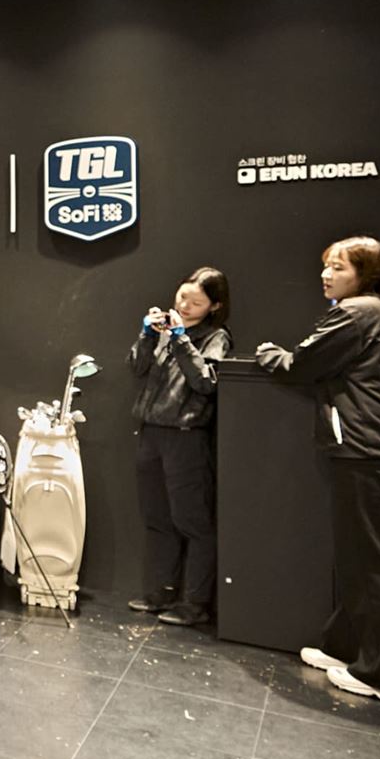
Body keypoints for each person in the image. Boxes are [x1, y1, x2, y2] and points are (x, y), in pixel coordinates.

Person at [255, 236, 380, 708]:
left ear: (365, 275)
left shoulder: (356, 313)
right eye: (326, 266)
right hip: (379, 449)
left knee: (372, 562)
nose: (326, 274)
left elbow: (301, 363)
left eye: (338, 267)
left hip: (367, 449)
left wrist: (270, 353)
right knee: (359, 558)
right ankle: (344, 647)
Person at [126, 267, 232, 627]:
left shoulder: (215, 337)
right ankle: (161, 592)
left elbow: (206, 382)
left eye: (196, 302)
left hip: (186, 436)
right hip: (151, 432)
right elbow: (136, 367)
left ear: (214, 306)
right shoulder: (164, 330)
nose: (185, 305)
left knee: (193, 521)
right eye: (183, 296)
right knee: (157, 518)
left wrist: (181, 339)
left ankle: (195, 603)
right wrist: (146, 334)